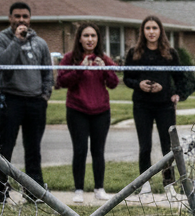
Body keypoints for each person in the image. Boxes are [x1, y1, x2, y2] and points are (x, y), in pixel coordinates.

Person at [0, 2, 53, 202]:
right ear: (10, 18)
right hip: (10, 99)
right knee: (5, 147)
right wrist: (17, 40)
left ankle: (34, 192)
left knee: (33, 148)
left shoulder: (40, 43)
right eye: (17, 16)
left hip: (35, 101)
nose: (21, 20)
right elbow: (3, 64)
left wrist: (45, 95)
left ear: (30, 18)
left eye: (25, 16)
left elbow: (47, 71)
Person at [55, 24, 118, 204]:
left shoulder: (103, 58)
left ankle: (99, 188)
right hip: (77, 110)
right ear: (79, 38)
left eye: (93, 36)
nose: (90, 39)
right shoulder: (70, 58)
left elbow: (113, 83)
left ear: (98, 39)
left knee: (98, 150)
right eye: (86, 35)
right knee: (80, 150)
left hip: (101, 111)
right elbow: (61, 81)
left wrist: (104, 69)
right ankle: (79, 190)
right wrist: (80, 68)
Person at [123, 16, 183, 198]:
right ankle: (145, 184)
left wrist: (175, 93)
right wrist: (139, 84)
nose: (151, 32)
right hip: (142, 105)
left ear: (160, 31)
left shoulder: (170, 53)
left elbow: (180, 78)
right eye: (147, 28)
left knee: (167, 147)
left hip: (164, 105)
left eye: (154, 28)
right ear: (142, 31)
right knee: (145, 146)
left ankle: (169, 184)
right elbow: (127, 78)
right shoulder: (134, 53)